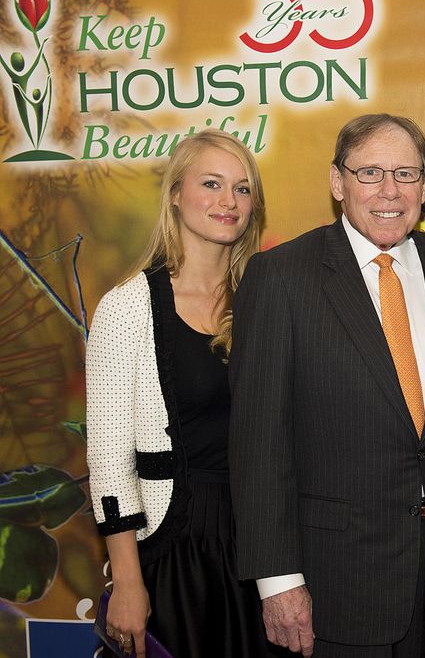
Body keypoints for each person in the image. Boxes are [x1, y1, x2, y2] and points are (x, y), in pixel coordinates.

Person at [228, 113, 425, 657]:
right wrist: (277, 581)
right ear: (337, 183)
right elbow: (258, 444)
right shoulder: (280, 278)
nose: (390, 191)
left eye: (406, 174)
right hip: (341, 585)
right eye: (370, 173)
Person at [86, 129, 284, 657]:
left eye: (243, 189)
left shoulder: (266, 298)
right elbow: (108, 461)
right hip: (174, 545)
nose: (229, 202)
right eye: (212, 184)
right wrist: (128, 582)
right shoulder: (126, 308)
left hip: (265, 542)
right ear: (175, 193)